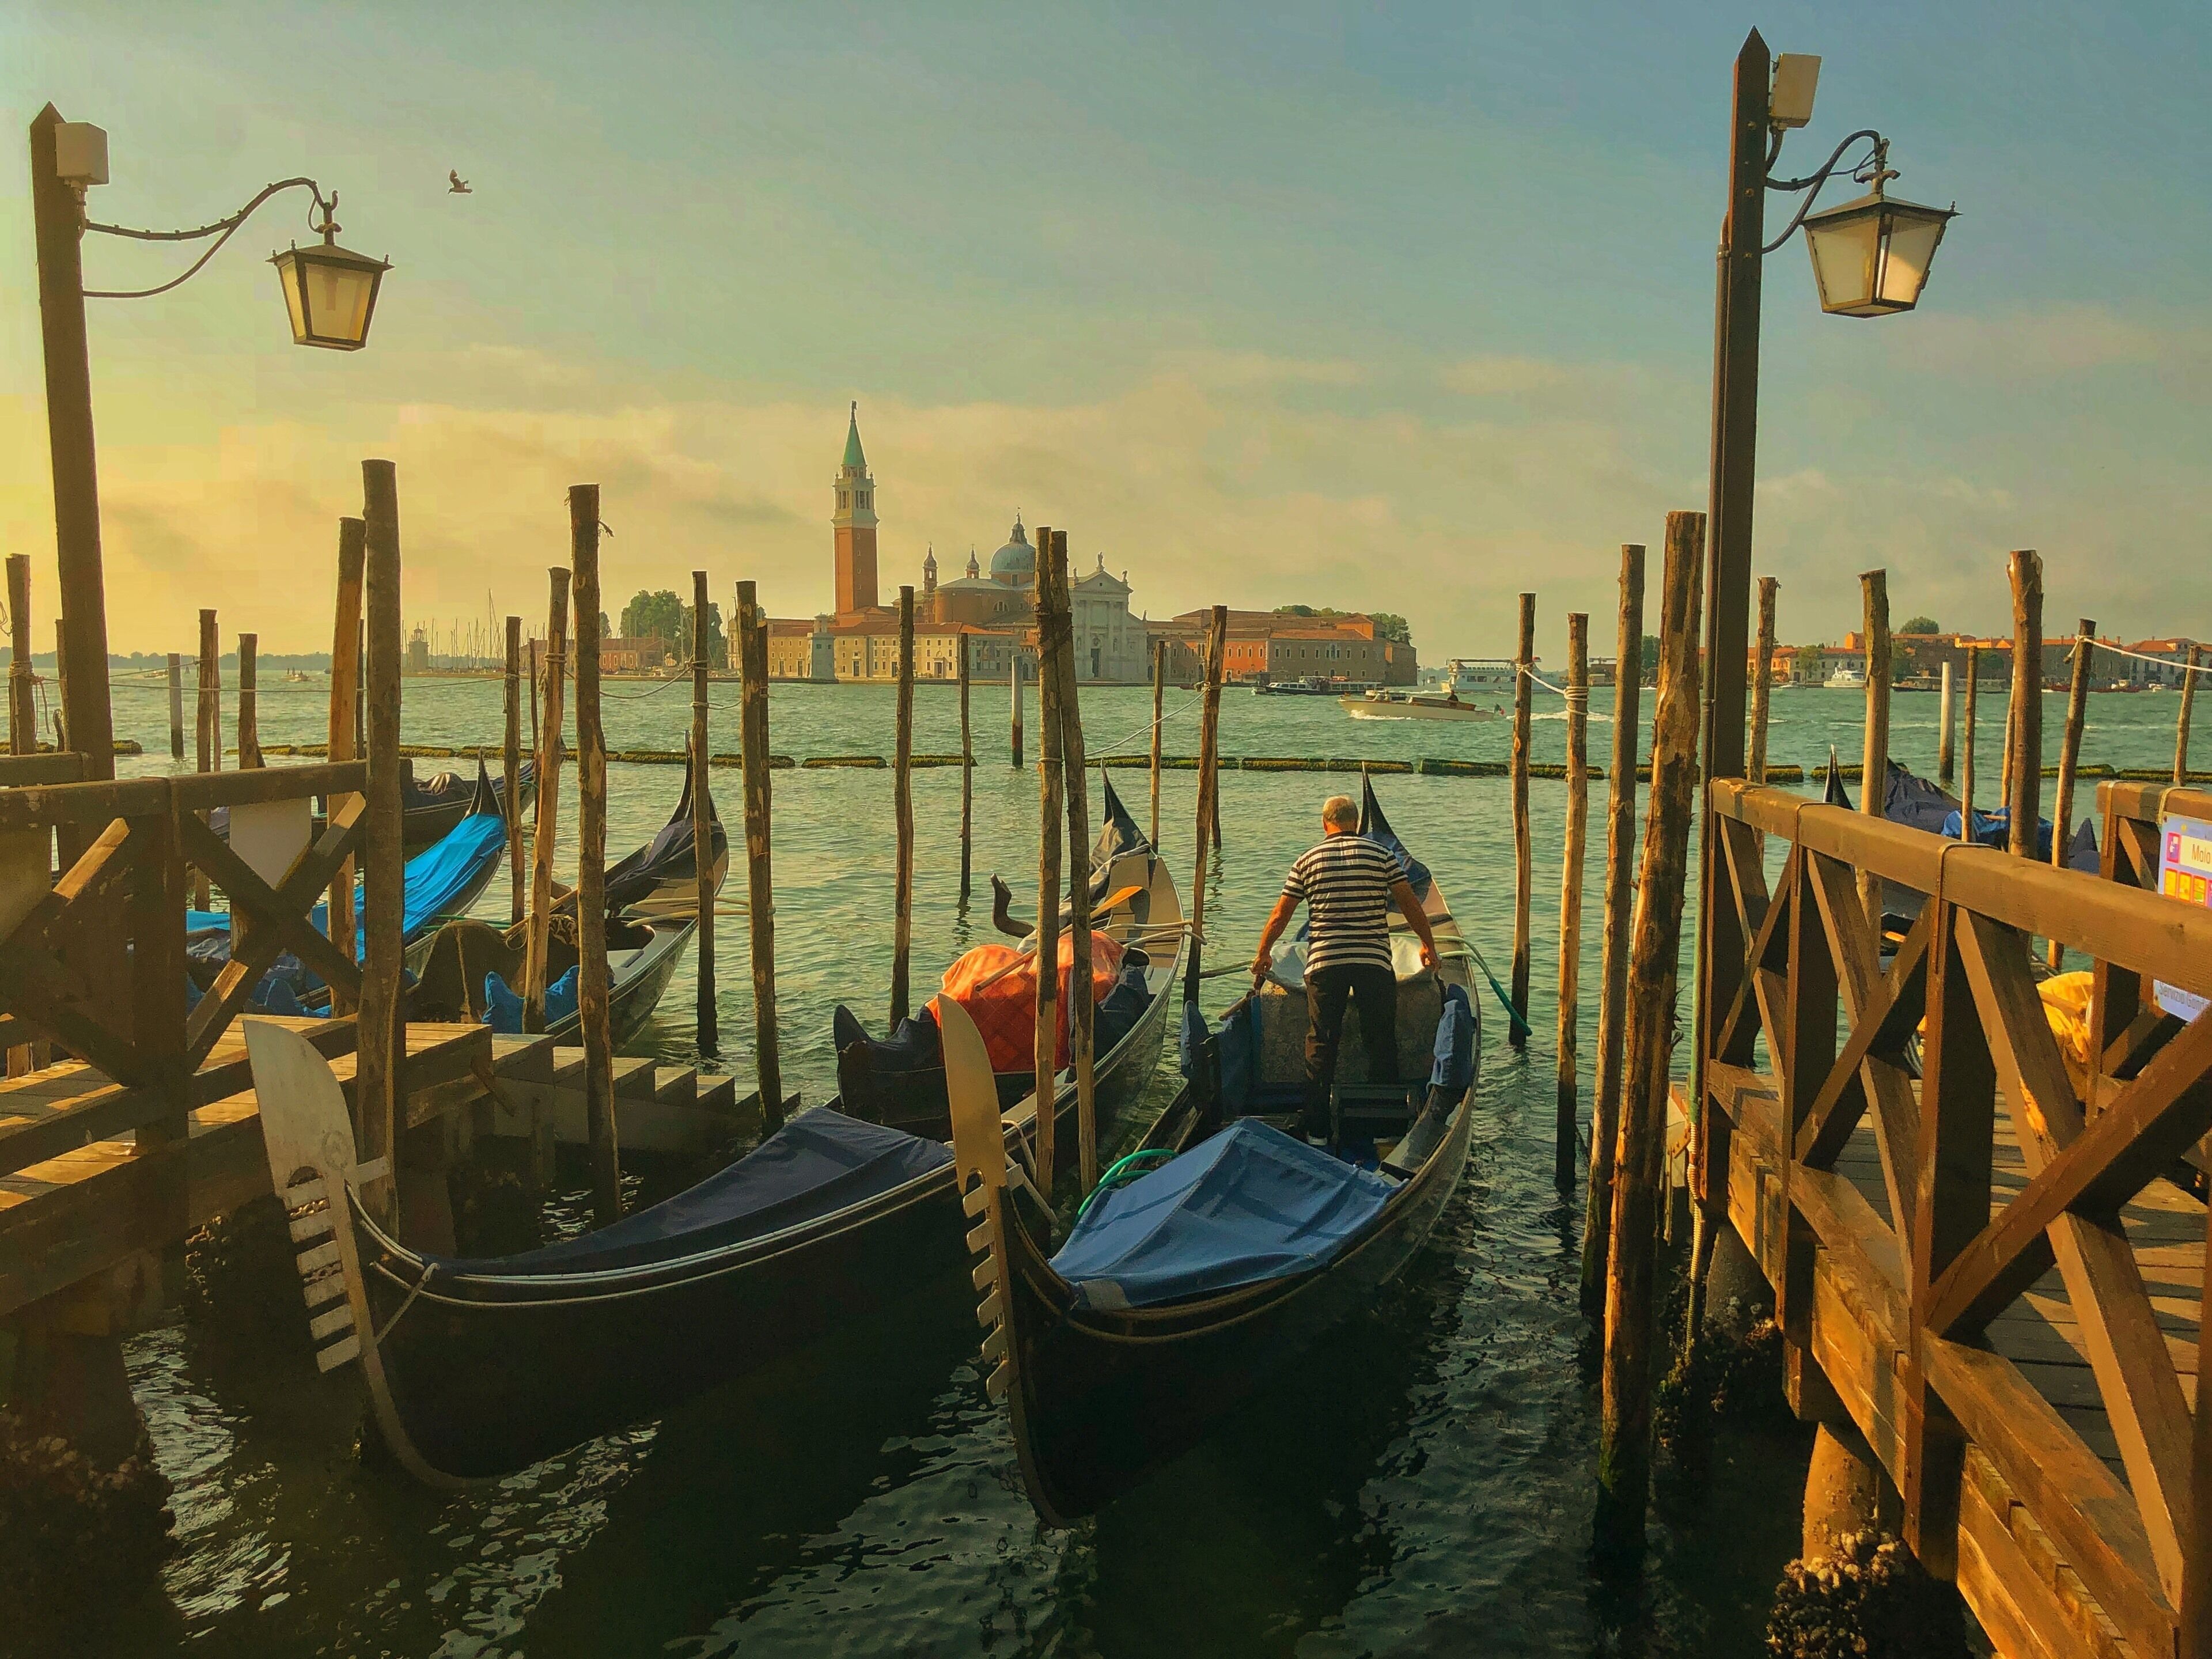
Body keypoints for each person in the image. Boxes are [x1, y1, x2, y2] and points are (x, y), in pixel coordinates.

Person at [1250, 794, 1439, 1143]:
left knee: (1322, 1044)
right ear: (1356, 823)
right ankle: (1383, 1131)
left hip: (1325, 962)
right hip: (1373, 961)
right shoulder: (1383, 855)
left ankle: (1318, 1131)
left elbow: (1281, 915)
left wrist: (1263, 953)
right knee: (1381, 1040)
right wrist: (1429, 944)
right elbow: (1411, 905)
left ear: (1325, 824)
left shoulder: (1306, 860)